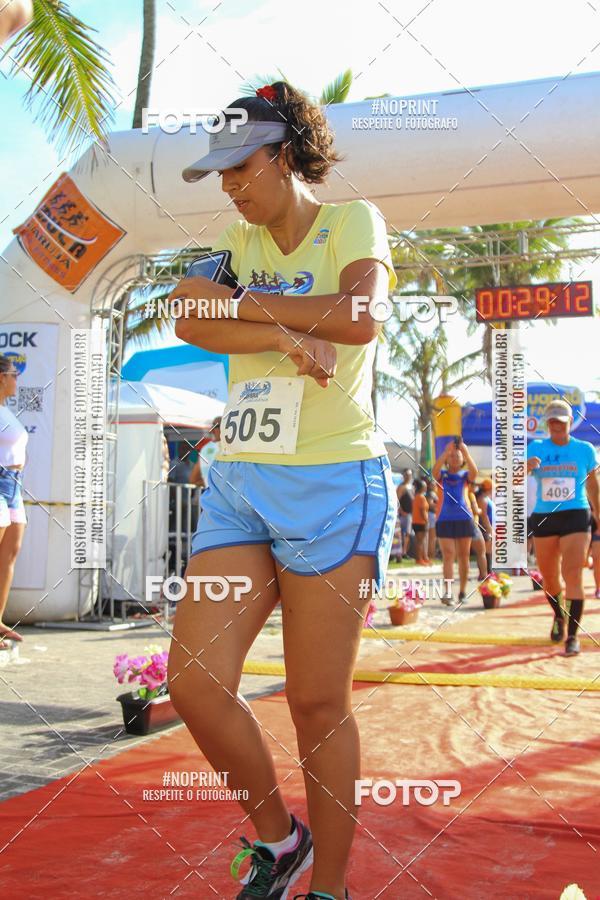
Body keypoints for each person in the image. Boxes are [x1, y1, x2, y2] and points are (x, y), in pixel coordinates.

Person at [167, 81, 398, 900]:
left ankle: (329, 887)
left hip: (334, 483)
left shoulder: (352, 222)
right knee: (193, 682)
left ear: (287, 154)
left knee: (315, 701)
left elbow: (360, 316)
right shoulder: (235, 238)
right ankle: (280, 838)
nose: (230, 185)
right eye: (220, 171)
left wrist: (245, 304)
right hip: (241, 483)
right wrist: (286, 329)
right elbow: (184, 314)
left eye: (242, 166)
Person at [527, 399, 600, 656]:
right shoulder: (536, 447)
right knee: (549, 578)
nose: (557, 426)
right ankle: (559, 616)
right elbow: (513, 479)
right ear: (547, 424)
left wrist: (598, 512)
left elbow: (592, 484)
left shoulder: (584, 449)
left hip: (576, 514)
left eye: (561, 421)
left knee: (573, 574)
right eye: (552, 422)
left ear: (570, 421)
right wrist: (524, 468)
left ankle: (572, 636)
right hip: (545, 516)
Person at [0, 356, 28, 645]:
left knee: (10, 554)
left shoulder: (6, 412)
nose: (16, 380)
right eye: (13, 374)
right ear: (1, 377)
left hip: (14, 485)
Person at [432, 439, 478, 606]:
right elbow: (434, 472)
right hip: (444, 519)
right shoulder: (442, 476)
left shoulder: (465, 476)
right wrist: (446, 451)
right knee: (448, 555)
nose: (454, 458)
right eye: (451, 456)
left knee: (463, 556)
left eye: (457, 456)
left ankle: (463, 592)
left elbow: (474, 472)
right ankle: (448, 592)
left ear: (462, 459)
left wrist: (465, 452)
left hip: (464, 518)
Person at [468, 480, 488, 581]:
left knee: (464, 553)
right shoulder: (471, 495)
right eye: (474, 485)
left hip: (462, 525)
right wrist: (481, 510)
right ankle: (483, 575)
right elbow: (476, 510)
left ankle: (466, 575)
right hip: (473, 525)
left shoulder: (461, 493)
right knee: (481, 551)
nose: (476, 487)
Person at [476, 477, 494, 577]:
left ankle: (489, 572)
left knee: (489, 549)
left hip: (488, 526)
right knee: (485, 550)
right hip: (484, 526)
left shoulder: (486, 497)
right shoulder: (482, 499)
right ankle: (486, 573)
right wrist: (489, 528)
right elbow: (484, 515)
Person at [396, 468, 414, 558]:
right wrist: (401, 511)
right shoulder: (401, 487)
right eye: (406, 475)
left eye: (409, 475)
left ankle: (404, 552)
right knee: (402, 534)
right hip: (403, 515)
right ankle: (400, 552)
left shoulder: (411, 487)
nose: (408, 477)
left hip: (410, 514)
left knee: (408, 534)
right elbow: (397, 501)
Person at [411, 479, 430, 565]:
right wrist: (427, 521)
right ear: (422, 487)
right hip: (421, 522)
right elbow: (422, 511)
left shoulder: (416, 496)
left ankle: (421, 558)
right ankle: (419, 559)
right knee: (420, 542)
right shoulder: (421, 497)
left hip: (415, 521)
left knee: (419, 541)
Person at [425, 479, 438, 560]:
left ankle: (431, 554)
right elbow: (430, 504)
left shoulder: (431, 493)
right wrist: (439, 505)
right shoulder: (430, 493)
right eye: (433, 484)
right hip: (431, 515)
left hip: (432, 515)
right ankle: (431, 555)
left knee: (432, 537)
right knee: (432, 536)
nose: (434, 485)